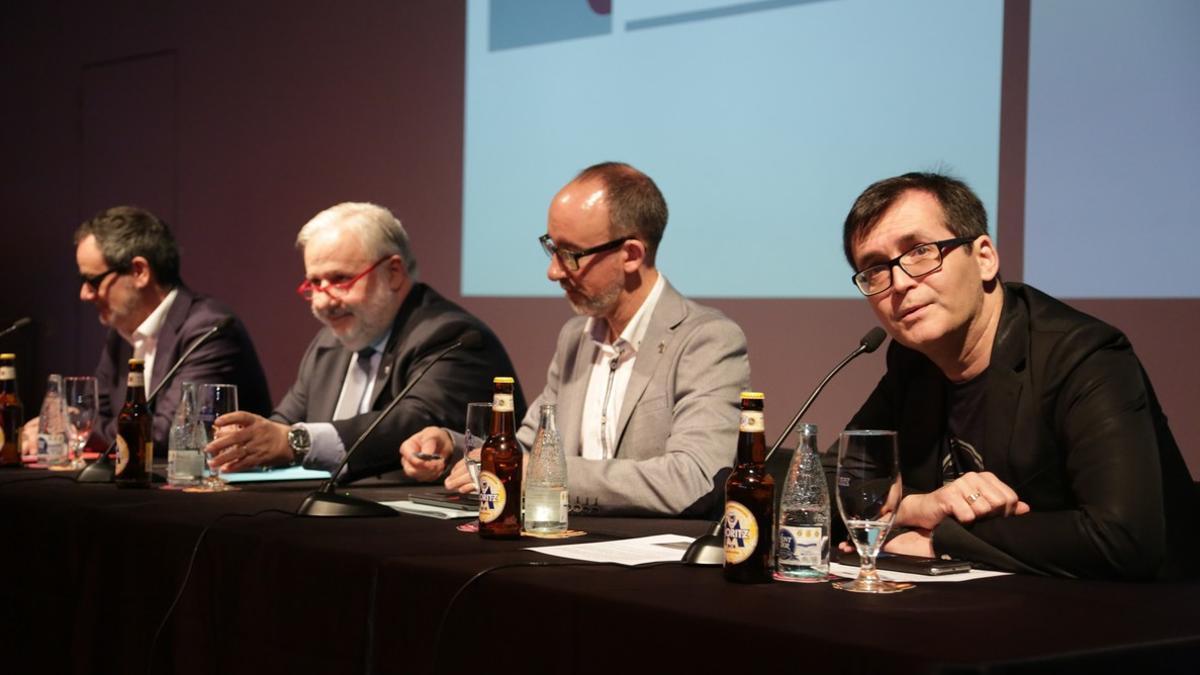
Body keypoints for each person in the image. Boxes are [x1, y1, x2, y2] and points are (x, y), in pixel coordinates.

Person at [837, 171, 1195, 579]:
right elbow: (829, 481)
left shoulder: (1082, 355)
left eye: (920, 251)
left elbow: (1122, 536)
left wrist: (941, 539)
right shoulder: (913, 362)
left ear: (985, 257)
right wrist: (917, 507)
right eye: (876, 270)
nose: (899, 283)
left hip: (1148, 621)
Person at [401, 162, 751, 516]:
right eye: (550, 247)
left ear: (631, 255)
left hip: (653, 558)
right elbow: (527, 447)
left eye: (570, 254)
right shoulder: (576, 337)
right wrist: (454, 446)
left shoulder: (705, 340)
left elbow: (693, 479)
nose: (553, 271)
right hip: (563, 540)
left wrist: (542, 473)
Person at [205, 202, 523, 482]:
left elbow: (412, 422)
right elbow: (286, 421)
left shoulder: (451, 336)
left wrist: (294, 441)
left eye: (341, 279)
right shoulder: (331, 340)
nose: (324, 301)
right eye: (315, 283)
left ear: (394, 272)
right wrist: (248, 442)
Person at [22, 206, 272, 455]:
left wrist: (70, 429)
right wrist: (78, 425)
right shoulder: (120, 336)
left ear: (139, 271)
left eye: (93, 281)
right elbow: (100, 415)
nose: (85, 294)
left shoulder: (209, 330)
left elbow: (168, 434)